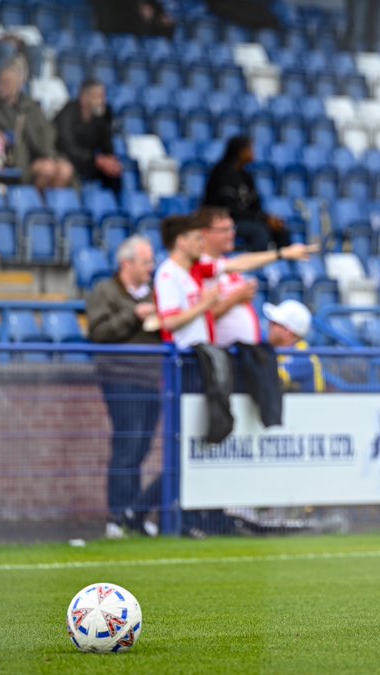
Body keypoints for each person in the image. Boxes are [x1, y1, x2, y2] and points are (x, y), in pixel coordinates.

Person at [84, 234, 164, 539]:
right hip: (120, 377)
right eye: (145, 262)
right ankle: (118, 514)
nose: (151, 268)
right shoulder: (105, 292)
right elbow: (99, 332)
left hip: (150, 377)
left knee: (142, 445)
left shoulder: (155, 294)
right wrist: (133, 315)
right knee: (127, 444)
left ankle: (134, 514)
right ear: (126, 263)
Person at [153, 216, 318, 347]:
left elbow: (239, 263)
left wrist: (282, 253)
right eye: (197, 238)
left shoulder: (194, 270)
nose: (201, 243)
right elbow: (169, 322)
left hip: (200, 353)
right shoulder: (168, 273)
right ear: (181, 241)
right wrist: (207, 304)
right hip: (182, 356)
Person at [0, 58, 74, 189]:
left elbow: (47, 132)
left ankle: (47, 206)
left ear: (19, 85)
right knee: (47, 169)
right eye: (0, 82)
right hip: (14, 159)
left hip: (41, 154)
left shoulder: (31, 107)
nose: (1, 86)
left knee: (65, 170)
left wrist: (48, 155)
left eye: (7, 82)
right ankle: (34, 203)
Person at [201, 136, 290, 252]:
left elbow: (255, 205)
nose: (253, 152)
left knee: (281, 230)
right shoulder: (222, 173)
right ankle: (253, 266)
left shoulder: (246, 176)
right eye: (250, 149)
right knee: (258, 232)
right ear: (241, 151)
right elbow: (228, 208)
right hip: (223, 220)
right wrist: (260, 218)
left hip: (246, 219)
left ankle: (282, 266)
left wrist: (267, 219)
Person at [197, 207, 261, 348]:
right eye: (224, 230)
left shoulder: (227, 264)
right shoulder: (199, 267)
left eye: (232, 229)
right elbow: (203, 316)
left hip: (244, 355)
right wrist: (236, 298)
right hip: (222, 355)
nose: (231, 234)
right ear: (205, 233)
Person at [54, 80, 122, 195]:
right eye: (97, 96)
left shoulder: (102, 116)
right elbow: (67, 147)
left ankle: (114, 207)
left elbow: (107, 146)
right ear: (84, 98)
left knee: (113, 172)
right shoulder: (67, 114)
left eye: (102, 96)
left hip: (90, 163)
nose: (101, 101)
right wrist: (96, 160)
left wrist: (109, 160)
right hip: (66, 159)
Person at [263, 300, 324, 393]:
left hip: (309, 407)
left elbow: (273, 380)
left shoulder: (303, 356)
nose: (269, 325)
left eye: (275, 323)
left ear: (288, 331)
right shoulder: (278, 350)